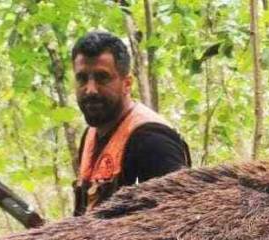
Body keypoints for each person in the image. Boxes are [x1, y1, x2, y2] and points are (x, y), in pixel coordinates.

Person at [70, 30, 190, 216]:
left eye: (102, 77)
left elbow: (179, 224)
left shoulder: (153, 141)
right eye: (82, 78)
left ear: (127, 83)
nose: (90, 89)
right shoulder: (90, 135)